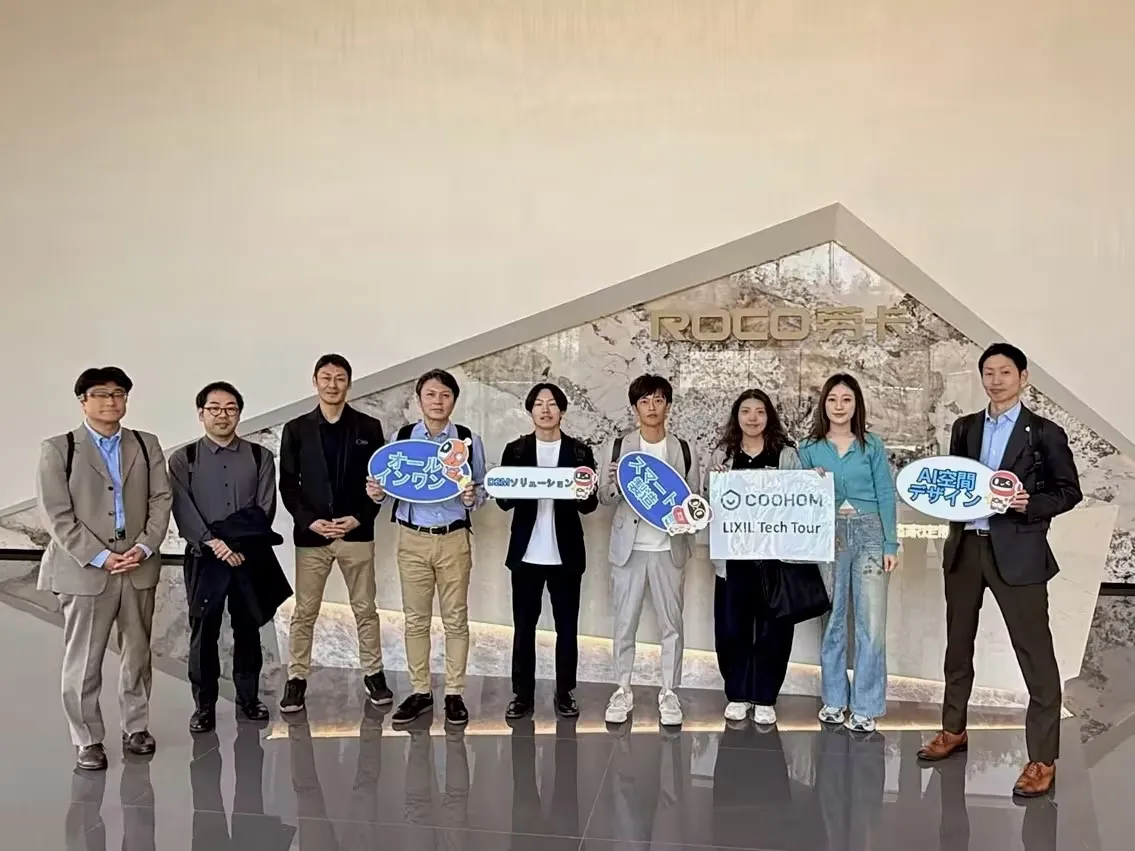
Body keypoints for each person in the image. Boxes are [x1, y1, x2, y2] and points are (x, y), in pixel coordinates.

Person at [917, 343, 1081, 798]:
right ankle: (953, 730)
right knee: (957, 646)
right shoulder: (965, 427)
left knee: (1035, 656)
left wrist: (1032, 504)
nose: (996, 380)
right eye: (988, 372)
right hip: (966, 549)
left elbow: (1069, 491)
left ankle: (1042, 759)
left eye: (1005, 372)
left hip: (1019, 553)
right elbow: (953, 485)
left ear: (1023, 377)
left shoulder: (1043, 432)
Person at [35, 366, 172, 771]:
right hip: (87, 570)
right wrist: (100, 555)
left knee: (138, 653)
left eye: (118, 393)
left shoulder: (145, 444)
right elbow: (56, 515)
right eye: (101, 394)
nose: (111, 401)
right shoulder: (59, 448)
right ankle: (87, 738)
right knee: (84, 659)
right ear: (83, 401)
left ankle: (136, 727)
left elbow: (161, 499)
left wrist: (144, 546)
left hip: (137, 564)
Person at [169, 381, 292, 733]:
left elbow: (264, 510)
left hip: (247, 557)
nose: (222, 415)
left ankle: (249, 699)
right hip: (204, 557)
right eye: (214, 408)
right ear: (201, 414)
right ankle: (204, 705)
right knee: (203, 631)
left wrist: (235, 545)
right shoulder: (184, 459)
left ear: (239, 413)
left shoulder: (260, 457)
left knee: (248, 629)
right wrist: (214, 543)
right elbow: (182, 508)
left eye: (230, 409)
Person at [366, 368, 486, 726]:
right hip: (412, 538)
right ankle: (420, 691)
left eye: (445, 395)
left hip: (454, 538)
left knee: (456, 619)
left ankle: (454, 693)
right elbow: (387, 488)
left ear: (454, 401)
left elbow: (480, 489)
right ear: (419, 400)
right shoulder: (402, 439)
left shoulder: (467, 440)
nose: (438, 401)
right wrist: (376, 493)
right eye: (431, 394)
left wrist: (472, 497)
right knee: (415, 619)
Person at [279, 354, 390, 713]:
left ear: (349, 383)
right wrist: (310, 521)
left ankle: (374, 673)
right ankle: (296, 678)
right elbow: (288, 485)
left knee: (366, 609)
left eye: (339, 378)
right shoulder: (296, 429)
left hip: (356, 534)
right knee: (305, 611)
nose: (332, 384)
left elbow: (379, 483)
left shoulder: (369, 428)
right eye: (325, 377)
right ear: (315, 382)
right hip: (312, 538)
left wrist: (359, 518)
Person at [596, 374, 700, 727]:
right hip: (629, 549)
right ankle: (622, 688)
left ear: (668, 405)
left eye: (658, 400)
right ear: (635, 407)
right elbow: (603, 497)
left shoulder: (683, 449)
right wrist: (616, 484)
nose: (652, 407)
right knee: (625, 623)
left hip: (669, 549)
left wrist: (690, 515)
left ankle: (669, 691)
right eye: (644, 401)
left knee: (672, 626)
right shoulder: (617, 447)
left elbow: (693, 501)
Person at [707, 388, 815, 726]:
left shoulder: (786, 455)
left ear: (769, 416)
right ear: (736, 417)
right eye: (745, 411)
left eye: (759, 411)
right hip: (733, 558)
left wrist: (814, 483)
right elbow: (705, 505)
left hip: (774, 559)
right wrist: (713, 485)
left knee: (774, 630)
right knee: (731, 629)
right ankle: (737, 694)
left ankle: (765, 696)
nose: (752, 418)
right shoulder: (723, 455)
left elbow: (801, 501)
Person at [797, 373, 898, 734]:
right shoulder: (808, 448)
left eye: (846, 400)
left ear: (857, 405)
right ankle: (834, 699)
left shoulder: (871, 445)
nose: (839, 406)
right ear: (823, 404)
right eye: (832, 399)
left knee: (871, 624)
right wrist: (809, 478)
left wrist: (890, 543)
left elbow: (885, 494)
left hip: (870, 533)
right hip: (829, 534)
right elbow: (796, 494)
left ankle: (866, 705)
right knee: (832, 619)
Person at [497, 383, 599, 720]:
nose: (545, 409)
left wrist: (585, 492)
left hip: (565, 555)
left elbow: (589, 505)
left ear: (562, 411)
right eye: (539, 404)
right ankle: (522, 694)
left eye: (552, 403)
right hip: (526, 554)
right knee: (523, 627)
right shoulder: (516, 450)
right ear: (530, 411)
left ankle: (564, 691)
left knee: (566, 628)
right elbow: (503, 501)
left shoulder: (580, 452)